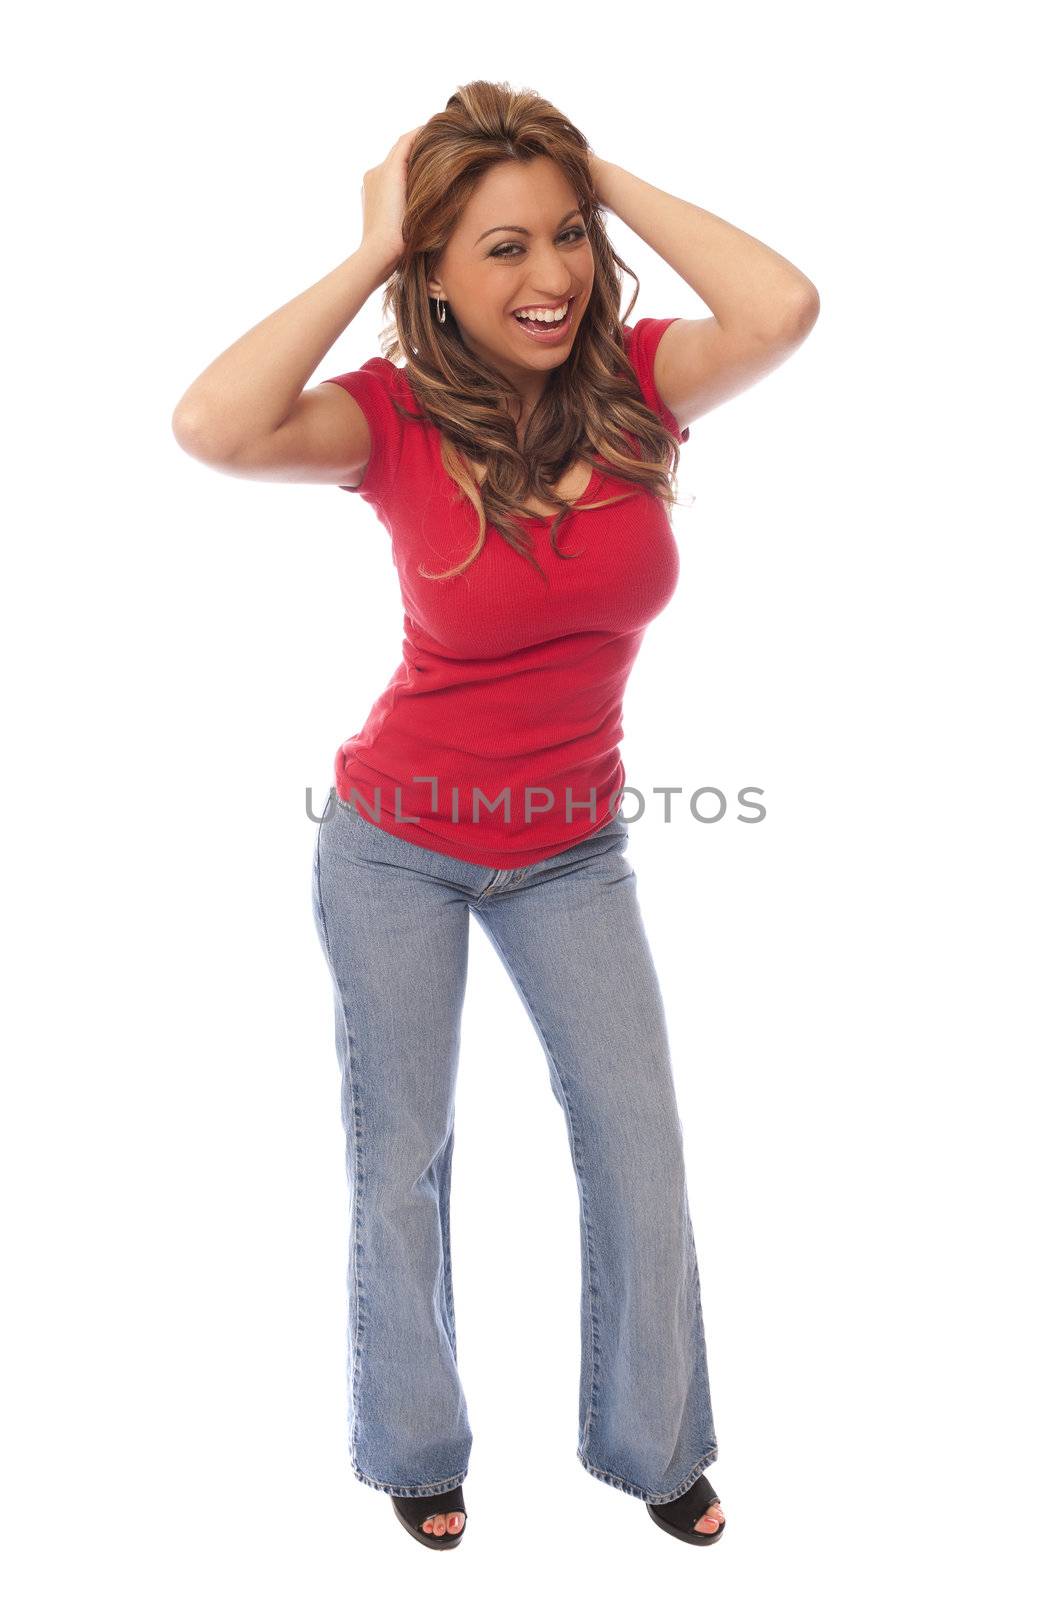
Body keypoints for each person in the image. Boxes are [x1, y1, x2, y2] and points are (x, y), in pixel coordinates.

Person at [172, 79, 819, 1551]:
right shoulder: (386, 420)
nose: (553, 278)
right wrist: (365, 250)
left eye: (568, 238)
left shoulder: (644, 384)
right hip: (393, 847)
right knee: (397, 1160)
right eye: (504, 249)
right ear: (436, 279)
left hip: (571, 855)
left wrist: (598, 167)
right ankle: (414, 1444)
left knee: (639, 1149)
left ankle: (655, 1445)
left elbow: (782, 307)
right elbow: (210, 423)